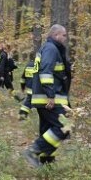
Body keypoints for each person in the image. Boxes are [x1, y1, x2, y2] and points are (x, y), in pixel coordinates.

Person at [22, 24, 72, 167]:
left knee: (47, 131)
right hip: (50, 99)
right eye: (64, 35)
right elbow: (45, 72)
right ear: (56, 35)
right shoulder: (51, 49)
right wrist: (50, 95)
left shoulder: (49, 48)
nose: (65, 38)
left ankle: (47, 163)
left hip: (45, 98)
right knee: (64, 126)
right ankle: (33, 151)